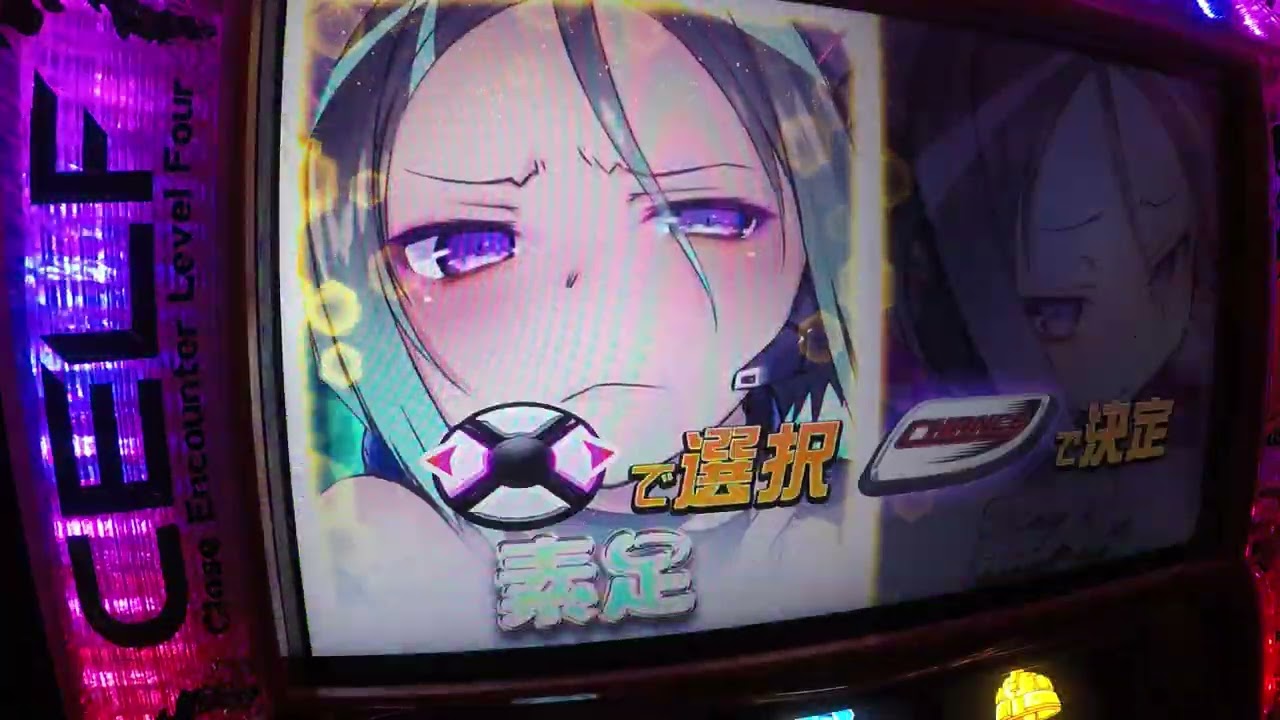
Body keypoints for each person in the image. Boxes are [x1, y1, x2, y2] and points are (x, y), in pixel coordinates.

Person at [288, 0, 880, 654]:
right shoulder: (382, 548)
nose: (598, 292)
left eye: (701, 218)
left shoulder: (849, 500)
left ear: (812, 228)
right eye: (464, 248)